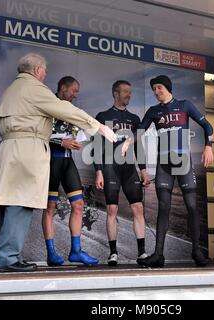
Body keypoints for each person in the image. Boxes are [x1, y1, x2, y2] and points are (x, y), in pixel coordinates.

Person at [0, 53, 116, 273]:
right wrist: (99, 127)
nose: (45, 75)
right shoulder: (34, 88)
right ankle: (7, 258)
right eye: (44, 71)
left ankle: (7, 255)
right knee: (20, 202)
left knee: (11, 202)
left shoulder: (11, 89)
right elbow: (66, 110)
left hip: (10, 148)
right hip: (26, 150)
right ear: (37, 70)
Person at [131, 75, 214, 268]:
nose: (156, 91)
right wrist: (127, 141)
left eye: (159, 87)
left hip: (183, 161)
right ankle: (158, 255)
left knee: (192, 207)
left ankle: (196, 252)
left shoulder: (184, 105)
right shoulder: (153, 111)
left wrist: (208, 146)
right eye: (153, 89)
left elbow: (207, 125)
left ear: (168, 88)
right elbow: (140, 132)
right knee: (164, 208)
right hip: (164, 165)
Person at [43, 76, 98, 266]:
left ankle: (76, 251)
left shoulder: (72, 110)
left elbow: (78, 133)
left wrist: (76, 140)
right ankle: (51, 253)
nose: (76, 94)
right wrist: (61, 142)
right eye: (74, 90)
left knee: (79, 205)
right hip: (51, 160)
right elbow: (38, 133)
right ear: (63, 88)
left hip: (68, 161)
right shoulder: (48, 104)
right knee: (50, 207)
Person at [94, 80, 151, 266]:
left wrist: (143, 170)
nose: (129, 95)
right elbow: (97, 146)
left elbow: (139, 147)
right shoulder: (103, 116)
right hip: (110, 167)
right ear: (115, 93)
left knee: (138, 208)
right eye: (125, 92)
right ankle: (113, 253)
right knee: (112, 209)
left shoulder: (134, 119)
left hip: (129, 169)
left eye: (130, 92)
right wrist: (99, 172)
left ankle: (142, 252)